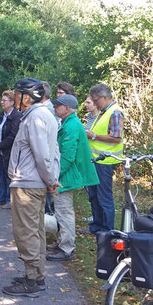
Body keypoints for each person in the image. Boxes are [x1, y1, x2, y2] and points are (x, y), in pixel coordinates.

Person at [2, 78, 60, 298]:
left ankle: (31, 281)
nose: (15, 98)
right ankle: (38, 276)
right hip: (33, 182)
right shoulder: (43, 115)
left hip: (28, 184)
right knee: (36, 231)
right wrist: (50, 179)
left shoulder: (36, 117)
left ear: (27, 96)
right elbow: (51, 152)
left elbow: (42, 154)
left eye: (18, 94)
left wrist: (50, 180)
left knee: (26, 232)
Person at [46, 94, 99, 262]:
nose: (55, 108)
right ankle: (61, 242)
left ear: (67, 108)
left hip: (66, 176)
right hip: (65, 175)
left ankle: (67, 248)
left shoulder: (72, 125)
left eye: (58, 106)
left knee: (64, 211)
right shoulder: (69, 123)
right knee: (61, 211)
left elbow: (67, 156)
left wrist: (53, 176)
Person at [84, 83, 124, 234]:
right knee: (94, 196)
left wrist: (93, 135)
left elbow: (116, 138)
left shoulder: (115, 112)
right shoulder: (103, 111)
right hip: (96, 161)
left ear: (104, 97)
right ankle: (96, 227)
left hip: (105, 162)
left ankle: (107, 231)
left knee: (104, 198)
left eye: (96, 100)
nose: (94, 103)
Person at [0, 90, 21, 209]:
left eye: (4, 100)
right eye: (1, 100)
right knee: (1, 174)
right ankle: (0, 198)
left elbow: (13, 136)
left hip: (9, 150)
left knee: (9, 175)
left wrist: (0, 146)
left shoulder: (16, 117)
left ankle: (9, 200)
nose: (2, 102)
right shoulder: (2, 115)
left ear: (12, 102)